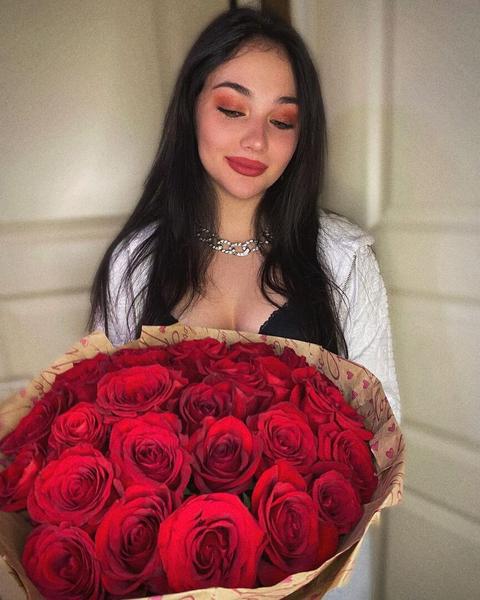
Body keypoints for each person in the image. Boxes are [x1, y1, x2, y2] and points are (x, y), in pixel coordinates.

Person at [88, 7, 400, 599]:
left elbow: (384, 435)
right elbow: (101, 433)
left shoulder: (345, 261)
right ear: (191, 108)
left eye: (282, 121)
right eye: (232, 109)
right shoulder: (134, 264)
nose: (256, 140)